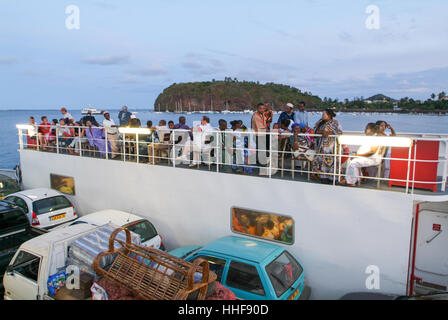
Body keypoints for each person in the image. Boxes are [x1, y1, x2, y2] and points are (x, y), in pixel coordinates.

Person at [311, 109, 343, 183]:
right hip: (322, 146)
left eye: (324, 114)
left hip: (332, 147)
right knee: (322, 161)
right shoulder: (319, 122)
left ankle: (333, 178)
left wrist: (330, 132)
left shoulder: (336, 122)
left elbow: (340, 132)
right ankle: (323, 177)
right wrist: (323, 132)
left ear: (329, 115)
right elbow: (315, 130)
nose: (322, 116)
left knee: (333, 162)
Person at [251, 103, 268, 168]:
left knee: (262, 149)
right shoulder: (256, 116)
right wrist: (269, 131)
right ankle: (261, 163)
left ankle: (261, 162)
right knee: (261, 149)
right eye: (261, 108)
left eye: (263, 108)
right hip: (258, 135)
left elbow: (265, 124)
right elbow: (260, 127)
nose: (262, 110)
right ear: (257, 109)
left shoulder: (262, 115)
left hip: (262, 134)